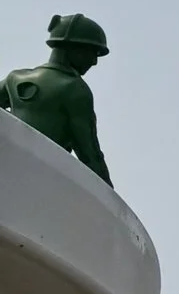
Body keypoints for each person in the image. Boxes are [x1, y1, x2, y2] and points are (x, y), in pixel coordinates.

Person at [2, 13, 113, 181]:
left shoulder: (14, 78)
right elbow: (89, 154)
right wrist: (109, 199)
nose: (94, 62)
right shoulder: (75, 89)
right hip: (39, 178)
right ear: (73, 48)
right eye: (92, 52)